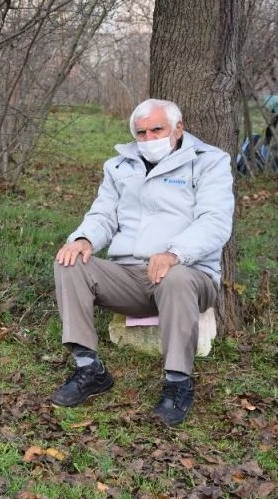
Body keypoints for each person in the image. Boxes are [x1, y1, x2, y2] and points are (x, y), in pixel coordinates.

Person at [51, 99, 234, 427]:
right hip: (130, 274)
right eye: (141, 132)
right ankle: (88, 368)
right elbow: (103, 215)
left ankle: (178, 384)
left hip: (188, 274)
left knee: (176, 278)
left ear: (178, 129)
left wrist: (175, 253)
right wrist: (84, 239)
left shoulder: (209, 161)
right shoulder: (120, 166)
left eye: (157, 130)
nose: (149, 139)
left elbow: (215, 221)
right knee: (71, 261)